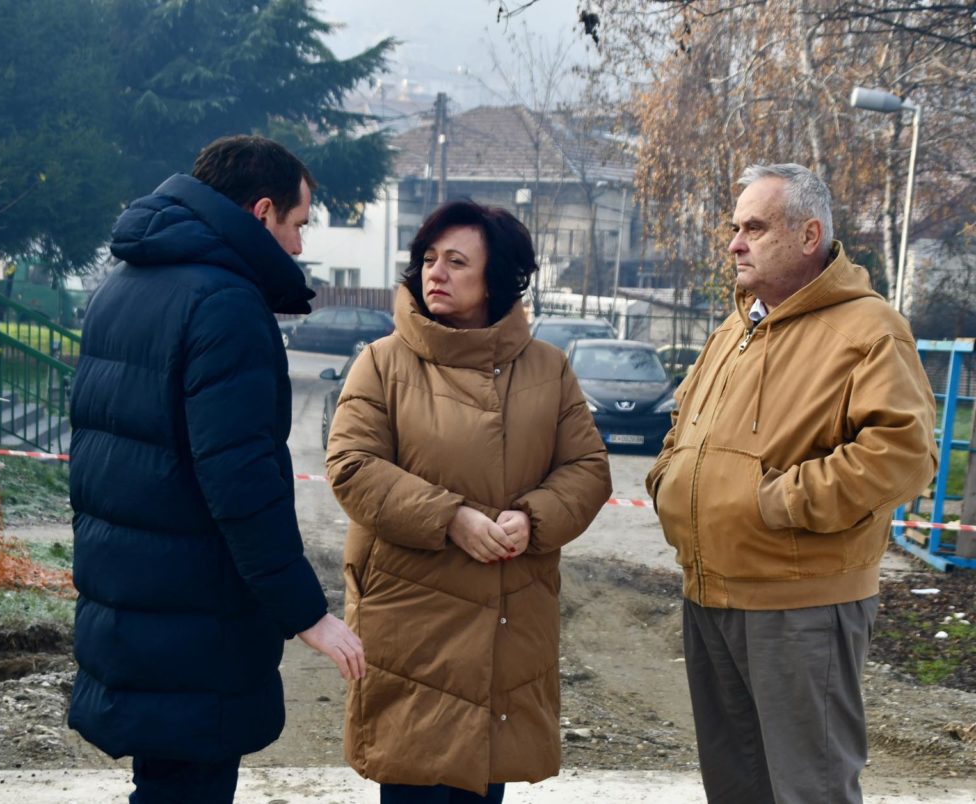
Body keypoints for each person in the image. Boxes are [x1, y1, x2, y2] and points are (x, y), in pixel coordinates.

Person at [68, 134, 365, 804]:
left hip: (133, 603)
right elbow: (242, 484)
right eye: (298, 224)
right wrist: (307, 614)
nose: (299, 247)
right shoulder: (225, 303)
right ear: (261, 212)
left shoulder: (123, 287)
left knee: (163, 784)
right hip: (196, 619)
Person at [646, 163, 937, 804]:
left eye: (754, 228)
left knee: (810, 790)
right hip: (711, 594)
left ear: (809, 236)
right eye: (735, 228)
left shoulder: (869, 329)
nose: (734, 244)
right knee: (736, 786)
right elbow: (682, 423)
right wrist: (670, 478)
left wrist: (778, 502)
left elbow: (904, 454)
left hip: (800, 605)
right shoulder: (735, 328)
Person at [324, 199, 613, 803]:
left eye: (456, 262)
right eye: (429, 258)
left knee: (484, 785)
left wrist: (532, 519)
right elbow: (351, 465)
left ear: (496, 278)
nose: (436, 272)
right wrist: (449, 517)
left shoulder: (549, 369)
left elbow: (587, 469)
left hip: (509, 615)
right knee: (413, 783)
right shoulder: (381, 363)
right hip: (411, 622)